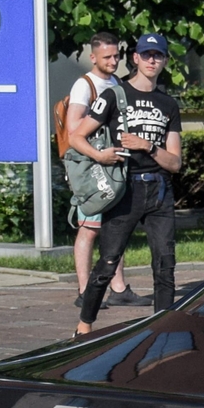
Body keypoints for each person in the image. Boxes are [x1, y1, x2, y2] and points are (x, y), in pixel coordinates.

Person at [75, 33, 184, 334]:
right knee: (107, 263)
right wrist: (101, 155)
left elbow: (175, 162)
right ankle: (84, 326)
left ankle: (161, 331)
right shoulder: (114, 95)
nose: (152, 60)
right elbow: (76, 136)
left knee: (165, 266)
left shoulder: (168, 104)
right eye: (146, 54)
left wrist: (148, 146)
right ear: (135, 58)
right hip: (125, 188)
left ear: (164, 61)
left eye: (158, 55)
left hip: (160, 189)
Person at [62, 34, 136, 308]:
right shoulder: (85, 85)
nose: (113, 61)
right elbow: (73, 131)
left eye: (116, 56)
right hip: (90, 166)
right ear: (93, 57)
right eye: (107, 57)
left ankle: (118, 287)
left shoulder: (116, 82)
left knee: (115, 226)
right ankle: (84, 291)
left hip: (112, 164)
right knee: (89, 228)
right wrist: (99, 155)